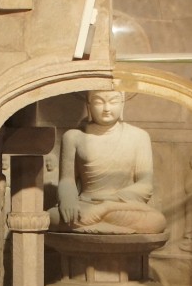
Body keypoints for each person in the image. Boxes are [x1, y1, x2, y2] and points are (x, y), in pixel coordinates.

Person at [48, 90, 169, 234]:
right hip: (87, 204)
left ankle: (94, 226)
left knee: (157, 221)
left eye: (113, 101)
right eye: (99, 102)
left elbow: (145, 184)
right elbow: (67, 180)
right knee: (51, 217)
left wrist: (107, 206)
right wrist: (67, 200)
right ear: (88, 105)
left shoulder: (139, 136)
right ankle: (111, 228)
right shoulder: (74, 137)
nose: (106, 108)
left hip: (121, 207)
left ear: (122, 104)